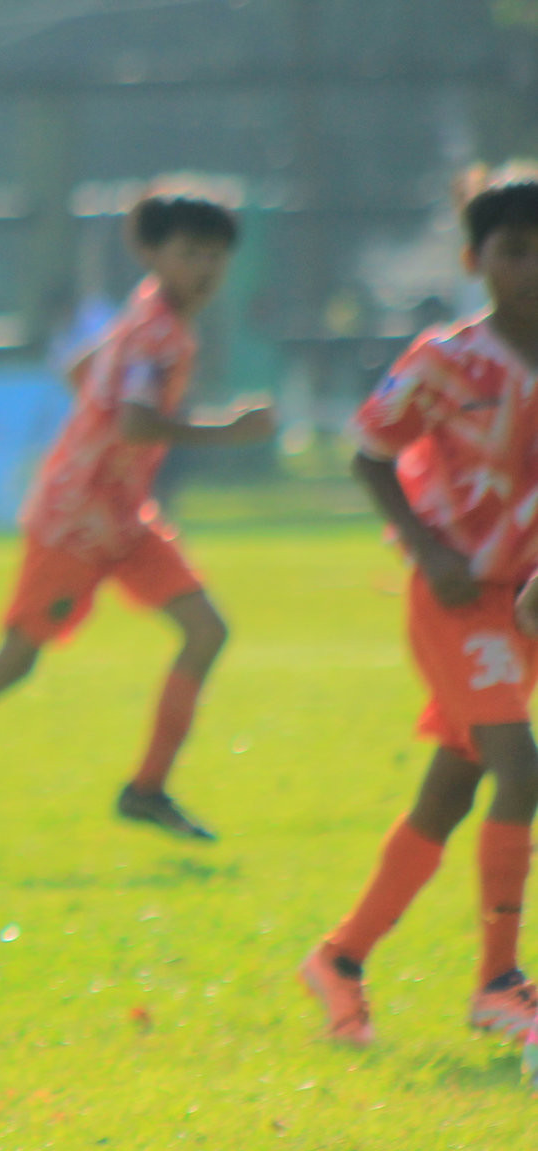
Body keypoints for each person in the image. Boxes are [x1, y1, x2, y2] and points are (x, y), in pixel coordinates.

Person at [0, 190, 277, 864]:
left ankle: (146, 789)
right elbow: (137, 420)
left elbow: (79, 368)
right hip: (74, 523)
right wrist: (228, 431)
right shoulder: (157, 333)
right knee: (13, 660)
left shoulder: (145, 311)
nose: (203, 268)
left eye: (214, 255)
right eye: (188, 253)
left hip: (120, 515)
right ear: (152, 253)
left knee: (206, 630)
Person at [300, 173, 538, 1050]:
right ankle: (499, 983)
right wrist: (425, 546)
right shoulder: (445, 358)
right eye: (514, 249)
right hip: (455, 600)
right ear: (475, 260)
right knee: (523, 767)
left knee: (450, 790)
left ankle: (340, 958)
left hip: (523, 607)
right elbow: (369, 451)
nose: (532, 267)